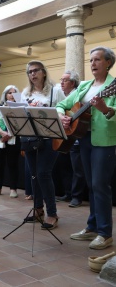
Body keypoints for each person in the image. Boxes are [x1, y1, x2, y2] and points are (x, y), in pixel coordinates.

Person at [57, 46, 116, 250]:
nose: (92, 63)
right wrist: (63, 116)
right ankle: (92, 227)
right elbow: (62, 105)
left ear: (108, 62)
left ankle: (105, 233)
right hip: (83, 139)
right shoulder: (84, 86)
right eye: (91, 60)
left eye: (97, 60)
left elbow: (114, 114)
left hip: (105, 141)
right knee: (91, 184)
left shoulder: (113, 86)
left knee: (100, 185)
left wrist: (106, 109)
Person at [20, 60, 65, 230]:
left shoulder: (56, 91)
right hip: (30, 138)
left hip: (49, 138)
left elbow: (64, 108)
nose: (32, 74)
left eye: (36, 71)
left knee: (43, 174)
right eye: (30, 72)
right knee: (33, 175)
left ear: (44, 72)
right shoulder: (25, 93)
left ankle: (52, 214)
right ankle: (38, 209)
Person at [54, 70, 86, 208]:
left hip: (77, 139)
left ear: (72, 83)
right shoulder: (65, 98)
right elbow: (61, 108)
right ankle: (68, 193)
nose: (61, 83)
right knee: (65, 167)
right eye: (61, 80)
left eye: (64, 80)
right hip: (67, 137)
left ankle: (77, 197)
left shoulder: (79, 95)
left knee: (77, 170)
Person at [0, 85, 21, 198]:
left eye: (14, 92)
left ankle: (13, 189)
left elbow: (20, 124)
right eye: (9, 92)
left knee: (13, 164)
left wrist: (9, 134)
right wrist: (2, 133)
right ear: (5, 95)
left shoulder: (20, 108)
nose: (12, 95)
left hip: (14, 139)